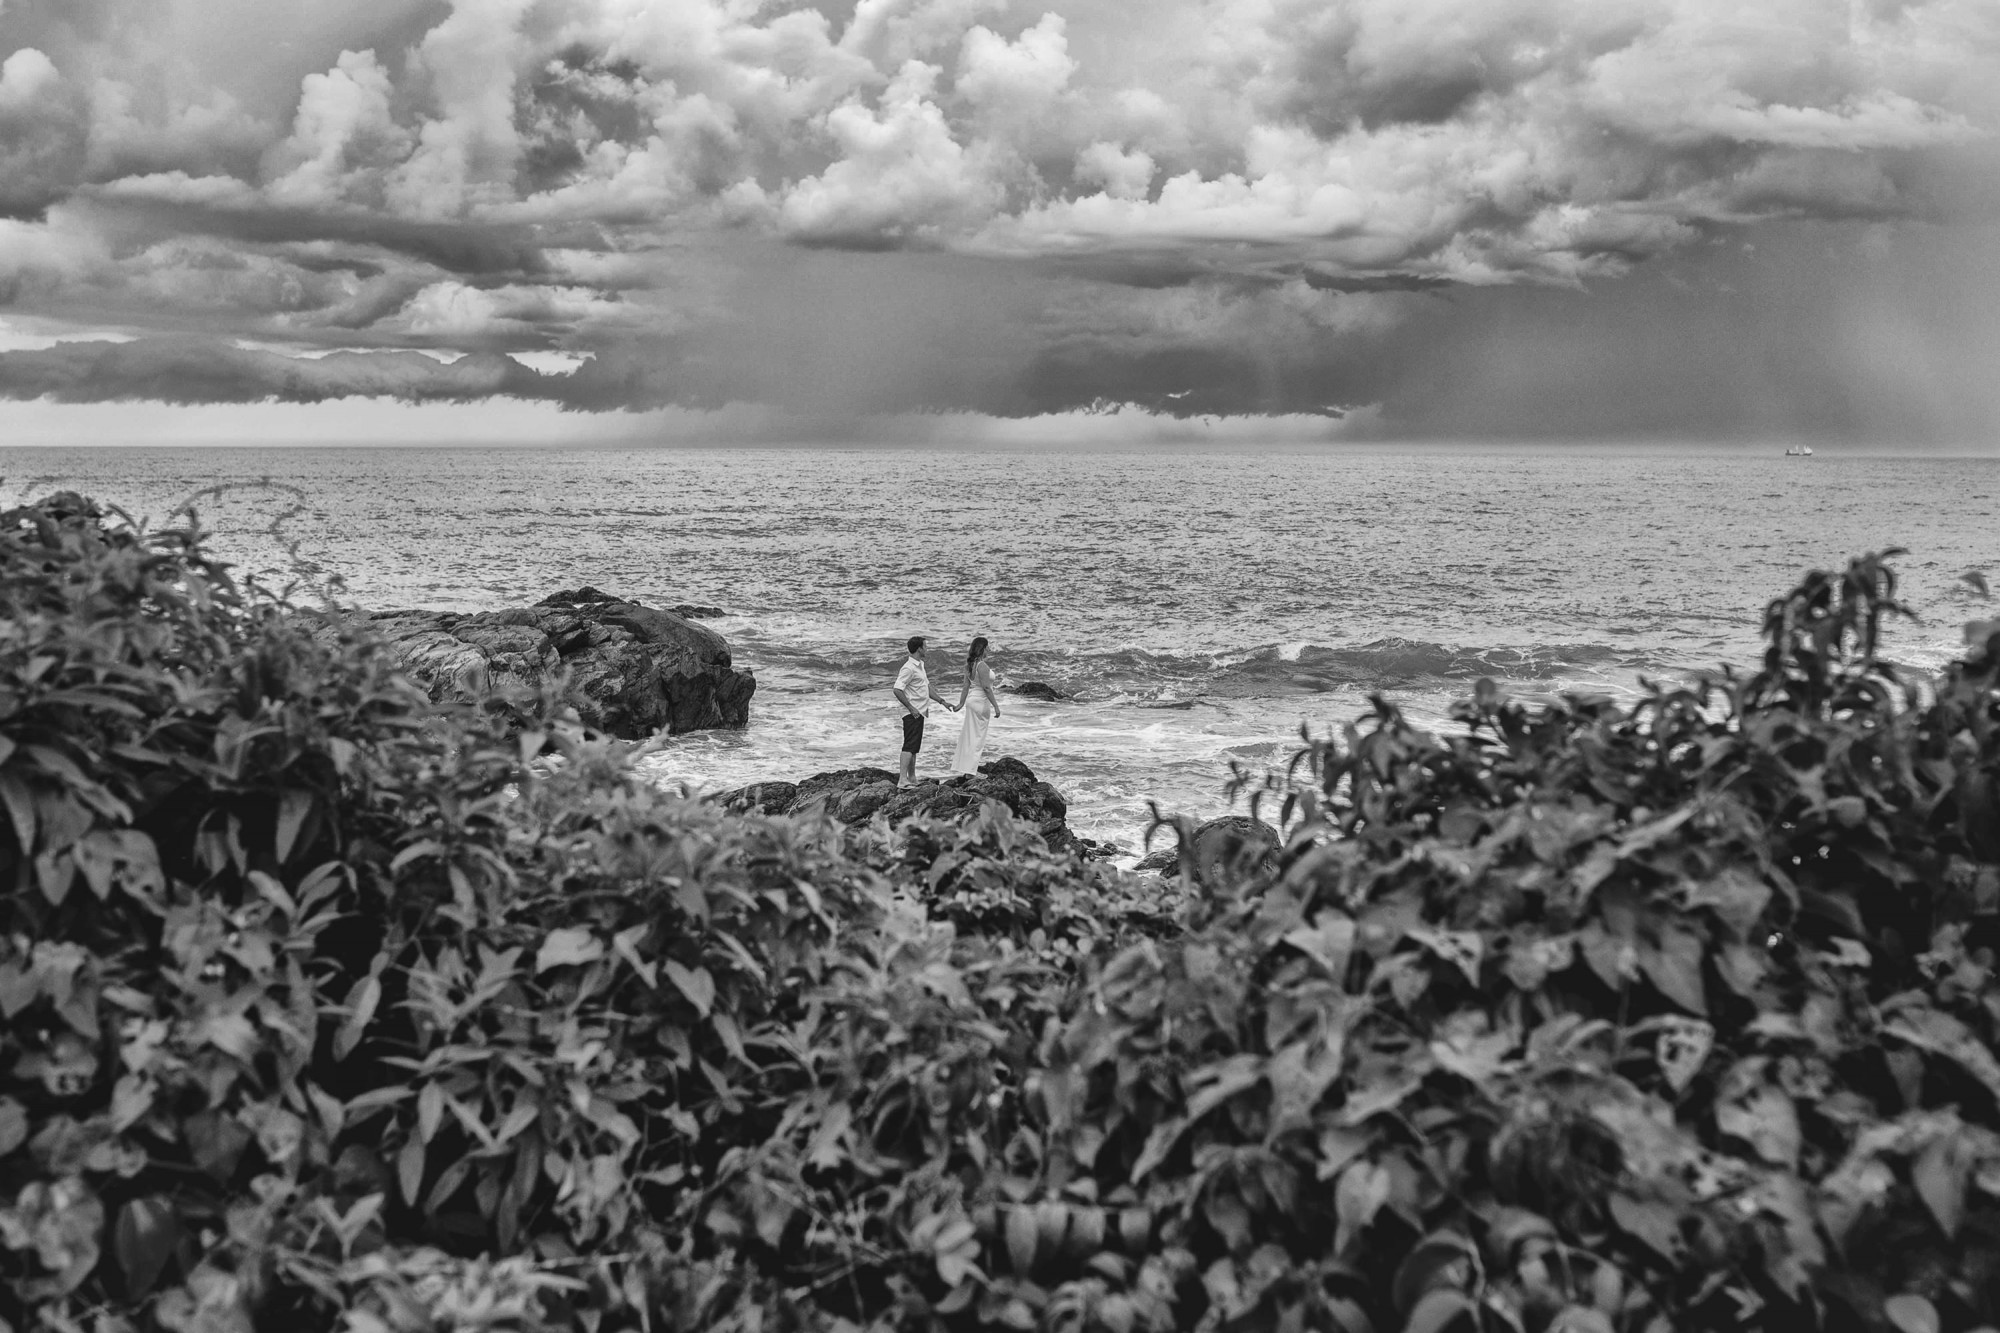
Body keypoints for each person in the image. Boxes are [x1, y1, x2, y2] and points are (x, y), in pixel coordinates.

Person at [892, 635, 956, 789]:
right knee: (909, 745)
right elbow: (897, 689)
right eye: (925, 646)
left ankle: (912, 778)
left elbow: (927, 688)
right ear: (919, 648)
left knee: (914, 747)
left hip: (919, 711)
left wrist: (942, 701)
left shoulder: (920, 665)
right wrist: (911, 707)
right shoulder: (908, 667)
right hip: (912, 712)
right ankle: (902, 780)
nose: (927, 649)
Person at [951, 636, 1001, 774]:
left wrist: (961, 703)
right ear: (982, 648)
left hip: (971, 702)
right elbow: (986, 688)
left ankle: (967, 770)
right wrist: (996, 706)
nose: (989, 650)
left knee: (969, 737)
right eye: (987, 647)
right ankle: (971, 772)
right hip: (981, 703)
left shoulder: (969, 665)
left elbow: (965, 687)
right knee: (977, 739)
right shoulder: (982, 665)